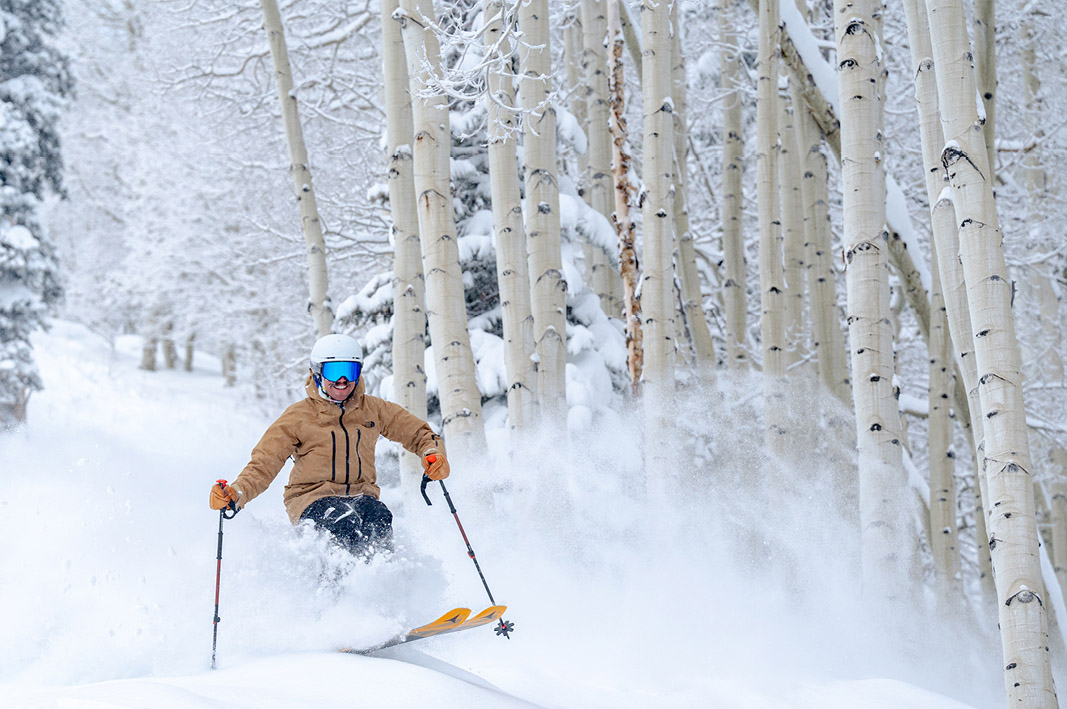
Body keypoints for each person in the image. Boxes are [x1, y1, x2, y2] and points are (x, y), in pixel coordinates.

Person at [209, 333, 449, 556]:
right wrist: (236, 493)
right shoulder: (298, 416)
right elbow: (264, 462)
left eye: (350, 370)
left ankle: (385, 588)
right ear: (317, 372)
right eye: (334, 372)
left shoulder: (374, 409)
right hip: (312, 498)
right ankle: (335, 593)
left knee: (380, 517)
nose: (342, 380)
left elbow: (418, 433)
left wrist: (432, 453)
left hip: (362, 496)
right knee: (344, 524)